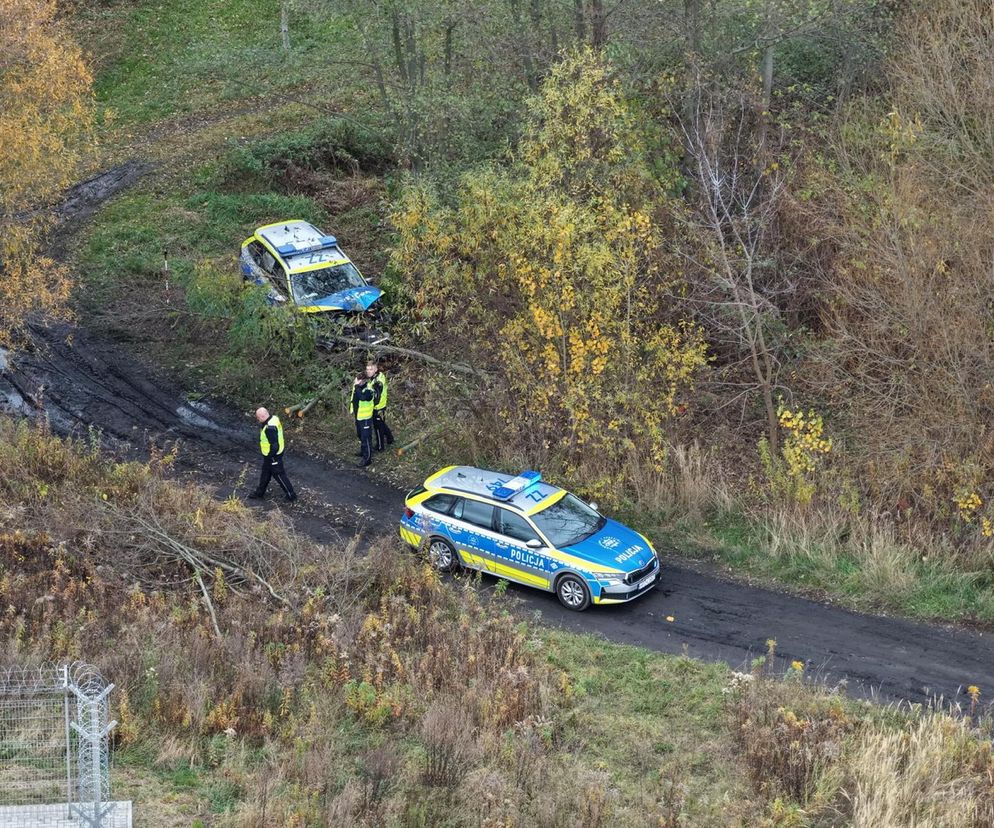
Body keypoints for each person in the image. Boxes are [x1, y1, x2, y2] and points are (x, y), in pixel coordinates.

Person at [248, 407, 297, 501]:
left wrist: (271, 456)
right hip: (270, 456)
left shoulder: (269, 428)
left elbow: (275, 445)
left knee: (279, 475)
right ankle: (259, 493)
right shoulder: (274, 418)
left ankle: (291, 495)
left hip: (273, 456)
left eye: (258, 418)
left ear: (262, 416)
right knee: (265, 473)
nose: (258, 420)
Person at [366, 360, 394, 452]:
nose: (368, 371)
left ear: (376, 369)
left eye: (371, 369)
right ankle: (390, 439)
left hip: (378, 407)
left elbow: (377, 396)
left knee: (378, 427)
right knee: (382, 424)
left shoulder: (378, 381)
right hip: (380, 406)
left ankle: (380, 447)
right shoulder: (376, 376)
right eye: (367, 369)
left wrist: (371, 403)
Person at [352, 374, 376, 467]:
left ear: (365, 381)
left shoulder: (369, 390)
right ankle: (363, 451)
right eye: (357, 381)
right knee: (360, 435)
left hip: (366, 418)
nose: (358, 383)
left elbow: (362, 397)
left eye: (360, 381)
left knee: (366, 438)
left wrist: (357, 386)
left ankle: (367, 459)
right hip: (359, 417)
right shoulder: (358, 387)